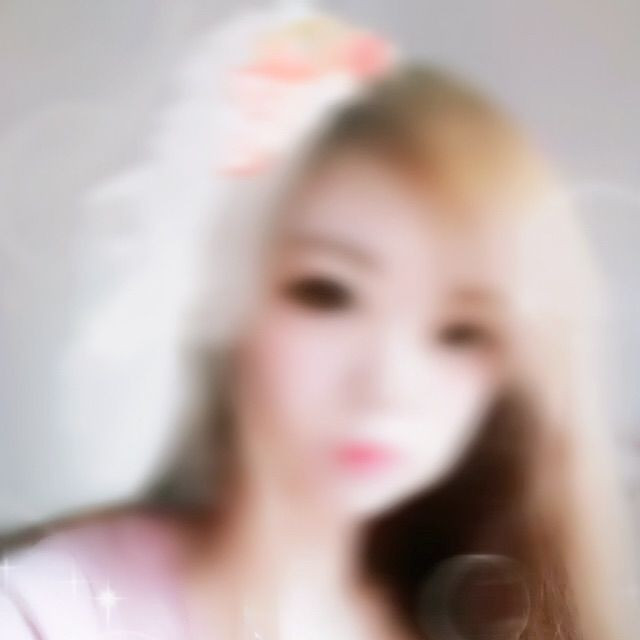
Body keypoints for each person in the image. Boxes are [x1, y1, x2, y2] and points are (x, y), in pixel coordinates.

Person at [0, 7, 636, 640]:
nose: (388, 385)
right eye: (326, 294)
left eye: (461, 333)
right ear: (225, 290)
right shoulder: (49, 611)